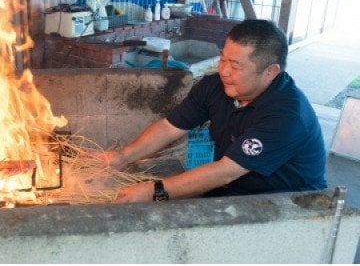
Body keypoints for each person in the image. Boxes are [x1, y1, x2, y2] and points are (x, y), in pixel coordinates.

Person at [95, 19, 327, 203]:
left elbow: (225, 171)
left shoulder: (287, 115)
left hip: (287, 202)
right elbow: (170, 126)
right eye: (223, 58)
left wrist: (154, 191)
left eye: (235, 65)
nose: (223, 70)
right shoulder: (215, 86)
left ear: (270, 71)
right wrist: (122, 157)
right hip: (231, 191)